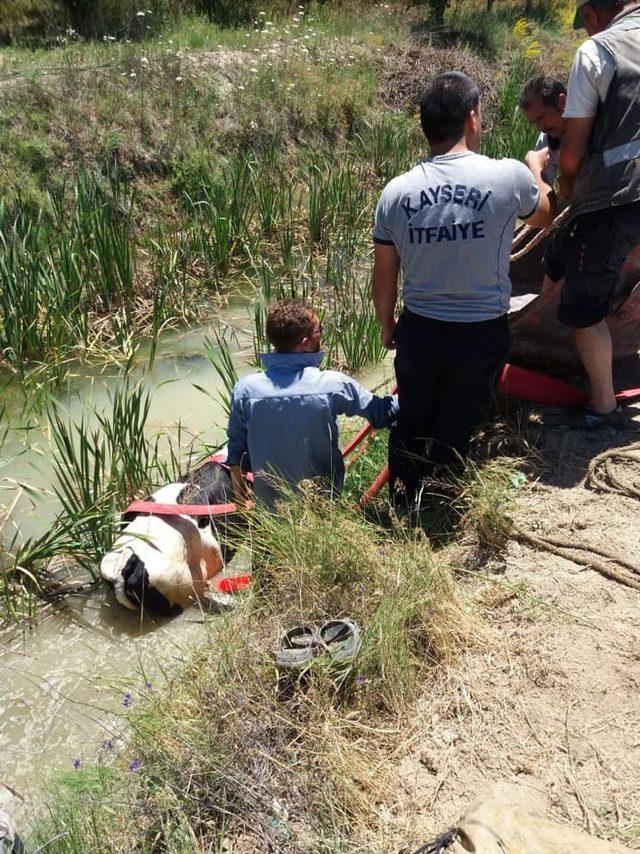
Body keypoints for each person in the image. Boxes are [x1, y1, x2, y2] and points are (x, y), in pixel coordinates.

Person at [372, 71, 555, 508]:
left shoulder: (395, 193)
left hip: (420, 329)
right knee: (459, 418)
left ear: (425, 127)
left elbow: (384, 277)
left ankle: (403, 497)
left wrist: (386, 325)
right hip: (481, 331)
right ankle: (443, 498)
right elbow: (544, 215)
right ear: (472, 118)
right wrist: (535, 171)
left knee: (413, 417)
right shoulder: (509, 177)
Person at [226, 298, 398, 509]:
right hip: (322, 510)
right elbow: (383, 414)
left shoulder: (245, 390)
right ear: (305, 341)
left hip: (271, 516)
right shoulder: (333, 384)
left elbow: (236, 455)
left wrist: (241, 501)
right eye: (320, 330)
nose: (322, 337)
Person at [558, 0, 640, 427]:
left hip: (617, 198)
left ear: (592, 14)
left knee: (583, 308)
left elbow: (572, 153)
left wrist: (567, 186)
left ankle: (603, 408)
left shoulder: (598, 51)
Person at [519, 76, 570, 290]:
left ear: (562, 102)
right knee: (553, 254)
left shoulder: (597, 126)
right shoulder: (547, 139)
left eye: (542, 118)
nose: (541, 127)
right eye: (534, 122)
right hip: (575, 206)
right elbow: (545, 208)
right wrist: (536, 169)